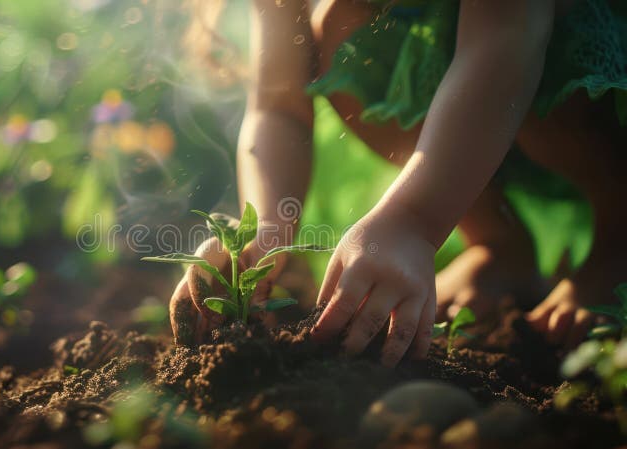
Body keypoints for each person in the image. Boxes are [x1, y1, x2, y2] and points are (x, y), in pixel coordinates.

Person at [168, 0, 627, 366]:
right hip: (474, 132)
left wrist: (413, 220)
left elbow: (506, 43)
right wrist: (264, 231)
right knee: (340, 24)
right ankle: (499, 243)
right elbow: (278, 107)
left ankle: (617, 242)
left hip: (586, 81)